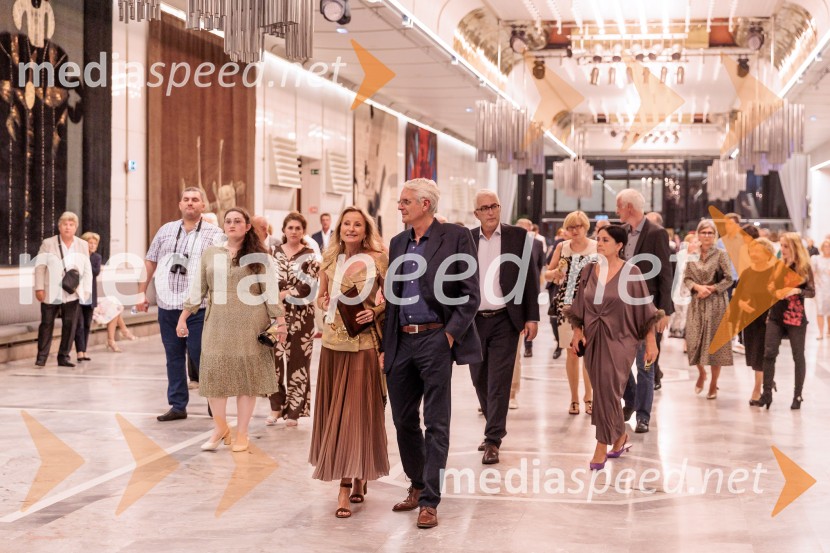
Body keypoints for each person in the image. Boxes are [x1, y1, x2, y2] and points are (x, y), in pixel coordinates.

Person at [383, 178, 481, 529]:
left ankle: (429, 501)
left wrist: (449, 336)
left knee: (436, 422)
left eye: (405, 201)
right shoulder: (398, 243)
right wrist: (386, 345)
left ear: (425, 204)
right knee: (402, 419)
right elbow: (392, 298)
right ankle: (417, 482)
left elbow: (470, 294)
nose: (400, 206)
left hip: (436, 339)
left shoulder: (456, 237)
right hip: (401, 341)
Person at [177, 207, 286, 452]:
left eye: (238, 221)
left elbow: (270, 291)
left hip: (251, 322)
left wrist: (280, 322)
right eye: (228, 221)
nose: (232, 224)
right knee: (215, 375)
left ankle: (242, 433)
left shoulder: (260, 256)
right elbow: (198, 288)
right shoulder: (211, 253)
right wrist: (183, 317)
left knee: (246, 379)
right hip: (217, 322)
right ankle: (220, 428)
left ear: (247, 227)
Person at [309, 206, 389, 519]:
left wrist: (376, 311)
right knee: (337, 414)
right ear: (339, 228)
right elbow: (320, 297)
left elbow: (392, 299)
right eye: (347, 224)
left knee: (358, 412)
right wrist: (324, 300)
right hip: (333, 344)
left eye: (357, 224)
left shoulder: (379, 258)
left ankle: (352, 480)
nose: (351, 229)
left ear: (365, 229)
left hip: (364, 343)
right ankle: (350, 479)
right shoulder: (330, 259)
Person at [567, 225, 662, 470]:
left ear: (619, 245)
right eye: (598, 239)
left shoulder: (632, 272)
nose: (599, 243)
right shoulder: (589, 270)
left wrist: (651, 342)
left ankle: (601, 445)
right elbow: (579, 305)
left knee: (608, 389)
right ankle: (620, 436)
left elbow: (646, 311)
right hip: (593, 339)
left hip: (621, 339)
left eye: (605, 240)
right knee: (602, 390)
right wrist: (577, 331)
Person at [137, 187, 223, 421]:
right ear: (180, 204)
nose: (190, 203)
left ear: (203, 206)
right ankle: (177, 405)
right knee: (173, 357)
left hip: (199, 307)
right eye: (186, 199)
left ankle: (213, 401)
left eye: (195, 200)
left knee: (200, 354)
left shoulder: (215, 234)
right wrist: (141, 293)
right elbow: (150, 261)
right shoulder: (166, 230)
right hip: (167, 306)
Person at [469, 190, 539, 465]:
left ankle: (493, 439)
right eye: (484, 208)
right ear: (476, 213)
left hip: (505, 319)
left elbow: (530, 277)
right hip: (474, 321)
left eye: (494, 206)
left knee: (499, 380)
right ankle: (493, 427)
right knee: (479, 378)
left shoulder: (517, 236)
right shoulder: (467, 239)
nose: (490, 212)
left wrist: (532, 317)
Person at [616, 189, 673, 432]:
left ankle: (643, 415)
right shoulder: (621, 232)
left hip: (648, 308)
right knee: (619, 362)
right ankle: (630, 400)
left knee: (646, 364)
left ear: (629, 207)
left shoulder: (656, 233)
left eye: (619, 206)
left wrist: (664, 310)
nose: (617, 211)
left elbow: (665, 273)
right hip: (620, 307)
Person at [268, 212, 320, 427]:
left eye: (298, 228)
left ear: (303, 231)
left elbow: (307, 286)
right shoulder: (273, 252)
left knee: (298, 363)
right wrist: (277, 296)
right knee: (273, 362)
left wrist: (283, 293)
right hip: (274, 315)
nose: (294, 231)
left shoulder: (310, 256)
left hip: (302, 316)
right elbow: (266, 281)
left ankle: (294, 412)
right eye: (290, 227)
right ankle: (276, 407)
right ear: (284, 230)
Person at [545, 211, 597, 415]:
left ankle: (589, 397)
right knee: (571, 352)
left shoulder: (596, 247)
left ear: (586, 227)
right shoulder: (562, 247)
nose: (575, 230)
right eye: (571, 227)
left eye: (578, 226)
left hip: (592, 303)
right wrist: (555, 273)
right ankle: (574, 398)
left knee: (589, 352)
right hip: (566, 303)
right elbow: (547, 274)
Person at [760, 233, 816, 410]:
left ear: (794, 247)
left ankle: (798, 395)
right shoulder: (778, 265)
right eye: (781, 245)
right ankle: (766, 393)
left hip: (795, 317)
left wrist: (796, 291)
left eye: (785, 246)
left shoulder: (804, 267)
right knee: (769, 353)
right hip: (776, 315)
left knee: (798, 356)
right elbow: (770, 287)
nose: (782, 249)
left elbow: (811, 292)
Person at [34, 211, 93, 368]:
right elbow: (40, 267)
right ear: (59, 227)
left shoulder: (82, 245)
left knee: (70, 325)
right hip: (50, 291)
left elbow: (87, 268)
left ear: (76, 227)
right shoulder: (48, 243)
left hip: (72, 292)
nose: (68, 227)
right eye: (65, 224)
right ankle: (41, 358)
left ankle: (64, 357)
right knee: (46, 324)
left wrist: (86, 291)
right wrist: (39, 287)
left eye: (71, 224)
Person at [683, 220, 734, 399]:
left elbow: (729, 279)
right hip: (697, 303)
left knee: (715, 346)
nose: (706, 236)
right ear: (698, 234)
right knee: (693, 341)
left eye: (710, 233)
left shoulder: (721, 254)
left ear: (715, 235)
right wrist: (698, 288)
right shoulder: (692, 254)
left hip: (716, 303)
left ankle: (713, 382)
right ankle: (702, 373)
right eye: (703, 232)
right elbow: (686, 278)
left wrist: (711, 289)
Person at [731, 238, 776, 405]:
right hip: (749, 320)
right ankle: (768, 379)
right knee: (752, 354)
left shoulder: (774, 273)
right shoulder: (747, 273)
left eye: (758, 251)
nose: (754, 254)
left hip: (768, 321)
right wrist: (742, 304)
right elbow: (738, 296)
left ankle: (757, 389)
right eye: (752, 251)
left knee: (761, 355)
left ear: (768, 253)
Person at [514, 218, 545, 358]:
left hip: (531, 285)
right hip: (514, 286)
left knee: (529, 314)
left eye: (526, 229)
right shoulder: (511, 242)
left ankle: (528, 346)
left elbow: (540, 264)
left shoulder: (537, 243)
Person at [74, 231, 102, 362]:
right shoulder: (77, 257)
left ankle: (84, 350)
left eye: (95, 243)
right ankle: (79, 352)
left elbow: (95, 272)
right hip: (78, 294)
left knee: (86, 324)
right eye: (90, 243)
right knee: (79, 324)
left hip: (90, 295)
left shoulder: (97, 258)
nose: (92, 245)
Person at [811, 239, 830, 340]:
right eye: (825, 246)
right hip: (820, 288)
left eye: (829, 246)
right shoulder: (816, 259)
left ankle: (829, 331)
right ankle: (821, 332)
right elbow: (812, 273)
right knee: (820, 310)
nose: (827, 248)